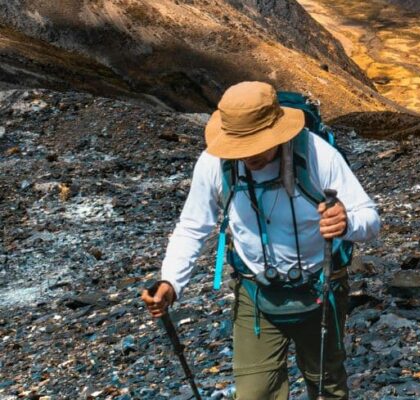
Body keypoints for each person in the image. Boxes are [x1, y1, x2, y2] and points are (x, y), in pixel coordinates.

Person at [141, 81, 381, 400]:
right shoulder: (214, 163)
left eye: (255, 144)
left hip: (321, 289)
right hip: (256, 296)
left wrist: (347, 222)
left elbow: (371, 220)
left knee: (328, 388)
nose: (247, 155)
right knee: (254, 394)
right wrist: (170, 282)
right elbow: (192, 227)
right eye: (238, 146)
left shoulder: (315, 153)